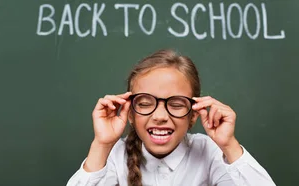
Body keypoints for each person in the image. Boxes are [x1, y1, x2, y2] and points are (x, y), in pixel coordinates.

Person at [65, 49, 275, 186]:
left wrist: (230, 146)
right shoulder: (114, 155)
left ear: (193, 114)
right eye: (146, 103)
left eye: (175, 105)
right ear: (130, 113)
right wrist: (101, 144)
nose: (159, 116)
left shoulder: (209, 152)